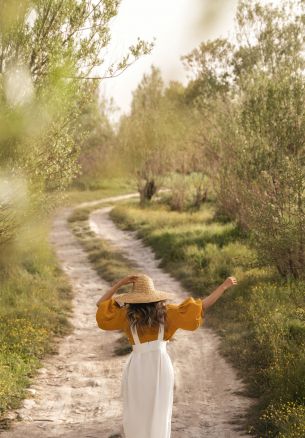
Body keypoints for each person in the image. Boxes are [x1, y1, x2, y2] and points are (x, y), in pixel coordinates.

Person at [96, 272, 237, 438]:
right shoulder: (167, 313)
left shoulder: (127, 315)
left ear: (133, 298)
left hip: (136, 368)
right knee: (160, 413)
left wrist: (120, 283)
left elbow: (101, 305)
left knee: (136, 412)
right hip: (160, 366)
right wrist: (224, 286)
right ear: (155, 295)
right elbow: (202, 306)